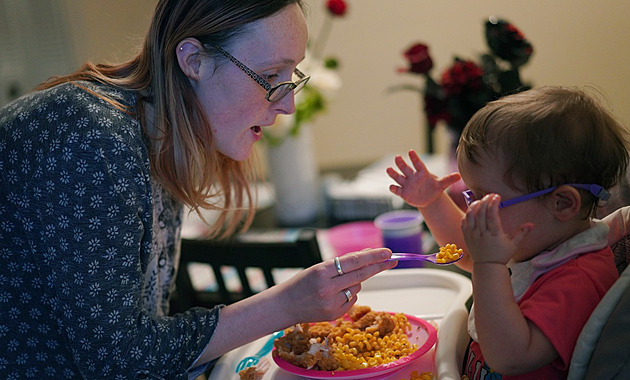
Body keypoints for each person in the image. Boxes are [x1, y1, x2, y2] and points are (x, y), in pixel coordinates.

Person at [0, 1, 396, 379]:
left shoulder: (155, 133)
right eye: (271, 76)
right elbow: (117, 362)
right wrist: (285, 305)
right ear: (194, 60)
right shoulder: (91, 138)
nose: (288, 104)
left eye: (291, 76)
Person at [387, 86, 630, 379]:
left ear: (562, 203)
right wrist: (432, 202)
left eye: (484, 198)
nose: (474, 210)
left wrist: (489, 265)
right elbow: (466, 250)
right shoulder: (535, 240)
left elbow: (510, 357)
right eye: (471, 196)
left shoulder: (579, 277)